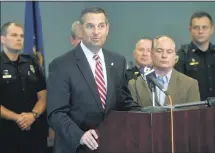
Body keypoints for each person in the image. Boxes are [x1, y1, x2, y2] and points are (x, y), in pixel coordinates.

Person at [46, 7, 141, 153]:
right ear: (80, 29)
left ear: (107, 29)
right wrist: (80, 136)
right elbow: (56, 113)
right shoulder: (61, 65)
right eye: (90, 26)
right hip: (76, 147)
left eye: (101, 26)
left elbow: (124, 101)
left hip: (111, 145)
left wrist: (146, 115)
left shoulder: (118, 61)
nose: (96, 32)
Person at [0, 22, 48, 153]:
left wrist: (32, 116)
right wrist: (19, 118)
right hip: (7, 135)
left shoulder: (32, 62)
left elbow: (43, 95)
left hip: (35, 133)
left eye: (21, 36)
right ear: (3, 39)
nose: (19, 39)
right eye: (14, 35)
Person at [128, 35, 200, 107]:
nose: (164, 55)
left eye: (169, 52)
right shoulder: (135, 84)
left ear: (175, 57)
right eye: (159, 51)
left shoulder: (190, 84)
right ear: (152, 54)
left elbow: (194, 115)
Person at [175, 11, 215, 100]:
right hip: (194, 110)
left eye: (204, 27)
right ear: (190, 29)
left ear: (212, 29)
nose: (200, 31)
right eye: (196, 27)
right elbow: (178, 89)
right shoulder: (182, 56)